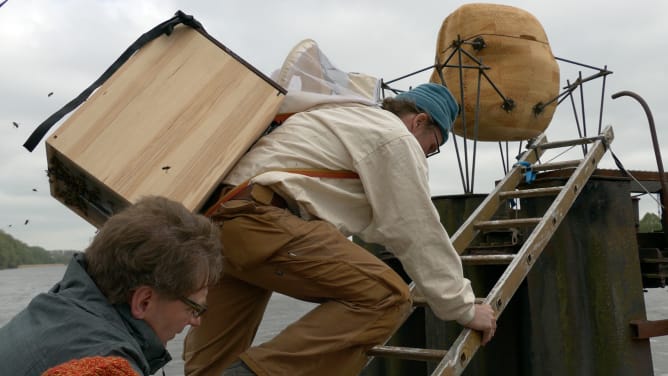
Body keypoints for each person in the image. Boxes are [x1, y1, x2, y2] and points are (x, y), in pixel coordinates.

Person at [184, 83, 497, 376]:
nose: (426, 155)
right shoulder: (394, 136)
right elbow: (415, 227)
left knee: (213, 360)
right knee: (386, 297)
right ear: (419, 121)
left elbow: (381, 223)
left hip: (218, 225)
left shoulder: (339, 118)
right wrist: (464, 308)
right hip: (261, 220)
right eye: (431, 146)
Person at [0, 195, 223, 376]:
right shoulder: (108, 367)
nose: (196, 320)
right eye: (193, 307)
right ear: (144, 301)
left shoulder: (54, 307)